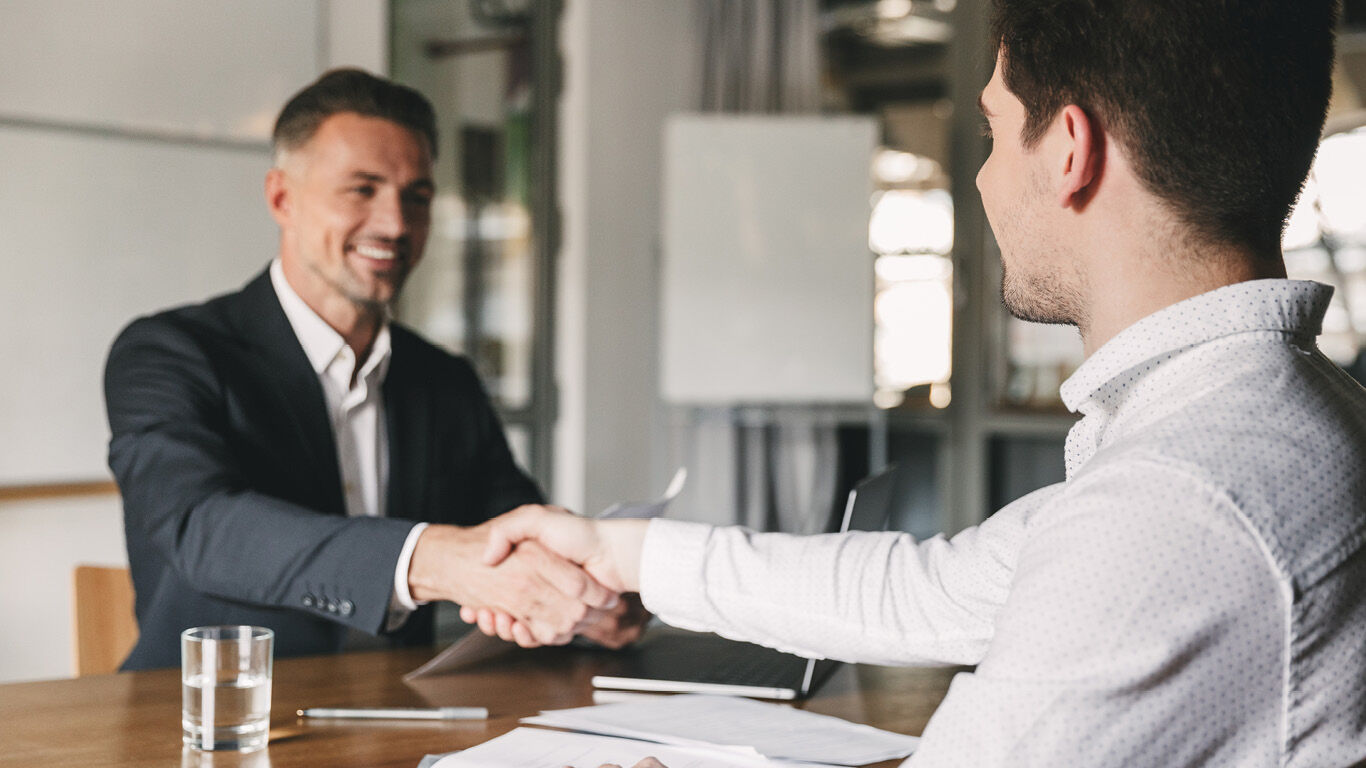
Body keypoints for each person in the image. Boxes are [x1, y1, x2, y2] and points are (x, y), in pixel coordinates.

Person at [469, 1, 1366, 765]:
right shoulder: (1262, 416)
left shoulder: (1183, 501)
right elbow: (934, 591)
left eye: (991, 130)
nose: (980, 174)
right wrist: (618, 551)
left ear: (1069, 151)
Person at [104, 69, 645, 671]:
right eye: (362, 190)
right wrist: (433, 559)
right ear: (282, 198)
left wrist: (587, 598)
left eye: (417, 196)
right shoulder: (169, 352)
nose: (395, 224)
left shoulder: (445, 380)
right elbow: (201, 525)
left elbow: (514, 531)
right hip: (207, 717)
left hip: (402, 711)